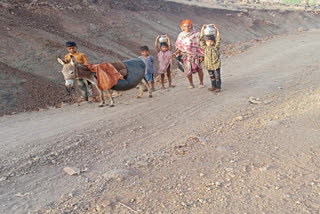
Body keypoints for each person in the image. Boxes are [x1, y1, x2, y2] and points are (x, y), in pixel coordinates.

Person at [172, 19, 204, 89]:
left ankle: (201, 82)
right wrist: (174, 54)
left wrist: (202, 55)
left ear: (191, 26)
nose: (187, 28)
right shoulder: (181, 35)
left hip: (196, 55)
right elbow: (179, 47)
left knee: (199, 69)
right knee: (188, 70)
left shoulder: (196, 34)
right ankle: (191, 84)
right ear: (182, 27)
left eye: (188, 26)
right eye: (185, 26)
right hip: (185, 56)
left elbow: (201, 44)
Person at [200, 24, 221, 92]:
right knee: (212, 77)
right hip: (209, 65)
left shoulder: (216, 47)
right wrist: (202, 30)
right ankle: (213, 86)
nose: (209, 43)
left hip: (216, 65)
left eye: (211, 41)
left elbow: (218, 38)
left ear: (214, 41)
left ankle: (218, 87)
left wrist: (217, 30)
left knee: (217, 77)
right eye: (208, 41)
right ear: (206, 42)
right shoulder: (205, 48)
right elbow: (201, 40)